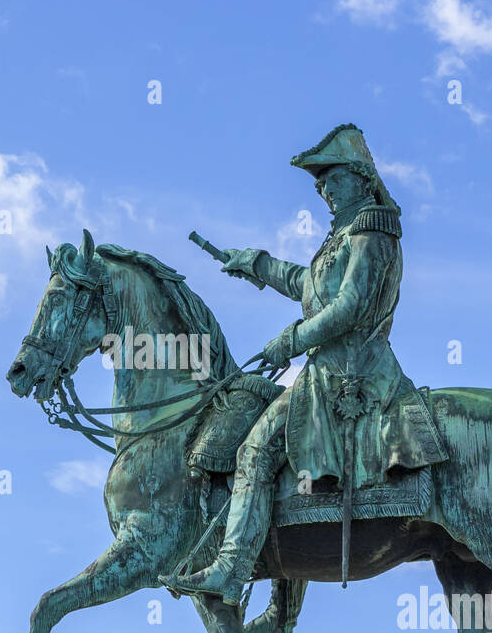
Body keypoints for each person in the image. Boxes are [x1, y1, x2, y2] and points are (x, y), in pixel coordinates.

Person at [160, 123, 447, 606]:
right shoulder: (342, 236)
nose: (324, 191)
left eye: (332, 180)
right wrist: (254, 262)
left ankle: (230, 570)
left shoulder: (372, 229)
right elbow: (308, 286)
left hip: (351, 373)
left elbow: (351, 307)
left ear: (360, 177)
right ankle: (281, 614)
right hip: (327, 370)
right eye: (319, 185)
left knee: (255, 452)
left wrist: (291, 339)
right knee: (284, 468)